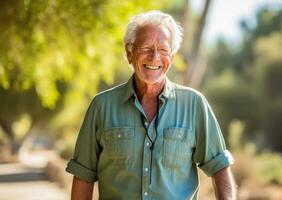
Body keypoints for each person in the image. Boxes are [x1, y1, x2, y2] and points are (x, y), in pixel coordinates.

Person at [66, 10, 236, 200]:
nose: (154, 57)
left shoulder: (194, 104)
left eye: (163, 49)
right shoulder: (101, 106)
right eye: (146, 48)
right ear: (129, 53)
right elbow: (83, 176)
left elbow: (219, 167)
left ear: (171, 57)